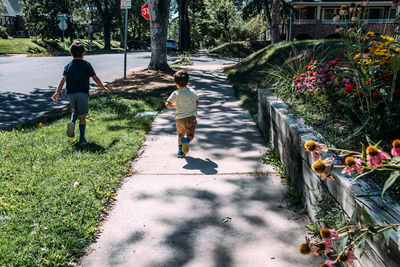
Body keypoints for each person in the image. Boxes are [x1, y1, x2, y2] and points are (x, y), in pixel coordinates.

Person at [52, 41, 110, 145]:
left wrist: (57, 92)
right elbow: (95, 78)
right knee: (82, 117)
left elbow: (62, 80)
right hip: (82, 93)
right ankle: (82, 139)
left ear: (71, 53)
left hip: (70, 93)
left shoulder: (68, 65)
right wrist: (103, 87)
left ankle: (72, 122)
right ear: (83, 53)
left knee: (75, 111)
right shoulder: (86, 64)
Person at [166, 70, 199, 158]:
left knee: (180, 135)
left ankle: (180, 152)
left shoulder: (175, 93)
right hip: (191, 118)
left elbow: (167, 105)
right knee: (190, 135)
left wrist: (176, 106)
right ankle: (187, 140)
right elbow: (197, 103)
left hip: (179, 119)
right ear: (188, 81)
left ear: (175, 83)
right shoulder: (192, 92)